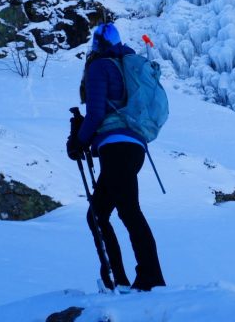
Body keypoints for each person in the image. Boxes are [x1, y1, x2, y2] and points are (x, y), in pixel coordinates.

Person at [68, 22, 166, 292]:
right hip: (134, 148)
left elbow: (97, 113)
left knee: (128, 212)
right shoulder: (127, 64)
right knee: (98, 214)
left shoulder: (100, 66)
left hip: (116, 148)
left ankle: (149, 279)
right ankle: (119, 280)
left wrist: (78, 140)